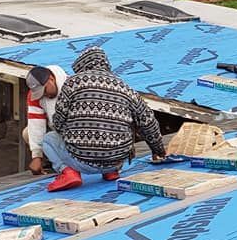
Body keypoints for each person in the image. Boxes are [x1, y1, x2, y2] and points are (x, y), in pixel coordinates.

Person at [45, 47, 167, 191]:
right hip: (116, 161)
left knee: (49, 139)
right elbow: (148, 122)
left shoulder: (72, 83)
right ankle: (110, 172)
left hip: (81, 160)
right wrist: (158, 150)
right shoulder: (125, 87)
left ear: (81, 66)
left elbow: (59, 121)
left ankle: (68, 172)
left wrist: (75, 132)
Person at [23, 65, 68, 175]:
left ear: (51, 80)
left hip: (74, 132)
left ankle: (66, 167)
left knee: (50, 138)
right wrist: (36, 155)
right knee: (27, 133)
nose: (44, 94)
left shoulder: (70, 87)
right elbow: (36, 124)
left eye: (44, 90)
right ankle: (51, 160)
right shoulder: (34, 96)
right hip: (56, 129)